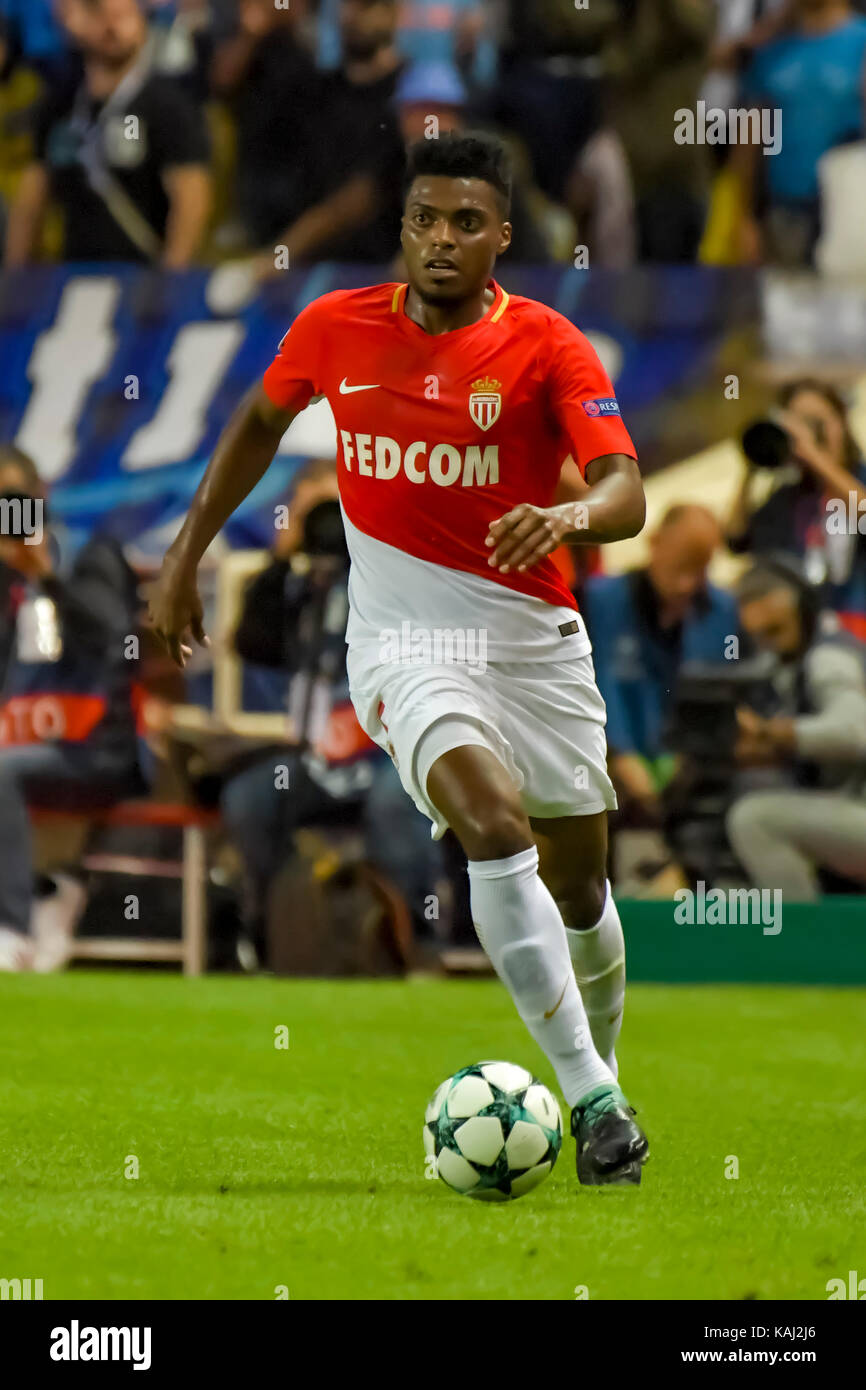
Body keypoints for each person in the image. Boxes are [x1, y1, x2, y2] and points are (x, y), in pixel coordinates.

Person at [149, 129, 650, 1188]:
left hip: (532, 642)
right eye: (424, 219)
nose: (439, 239)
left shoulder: (549, 347)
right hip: (403, 643)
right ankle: (595, 1104)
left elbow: (624, 493)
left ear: (499, 238)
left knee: (581, 888)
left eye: (465, 222)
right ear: (404, 228)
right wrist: (184, 556)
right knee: (492, 825)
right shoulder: (334, 329)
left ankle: (599, 1066)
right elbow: (252, 424)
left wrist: (565, 514)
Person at [0, 444, 144, 971]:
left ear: (41, 498)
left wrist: (46, 577)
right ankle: (44, 896)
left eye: (14, 500)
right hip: (25, 743)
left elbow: (110, 633)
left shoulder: (88, 552)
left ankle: (11, 930)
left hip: (95, 749)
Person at [4, 0, 211, 268]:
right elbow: (30, 202)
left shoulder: (168, 106)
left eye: (125, 16)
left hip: (141, 274)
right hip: (74, 273)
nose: (115, 27)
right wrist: (15, 277)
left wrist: (169, 279)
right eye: (103, 15)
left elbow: (190, 199)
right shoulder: (60, 106)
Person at [584, 505, 740, 825]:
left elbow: (729, 692)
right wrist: (622, 756)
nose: (686, 585)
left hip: (695, 768)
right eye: (681, 566)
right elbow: (600, 681)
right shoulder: (602, 600)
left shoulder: (722, 611)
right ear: (655, 542)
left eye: (699, 570)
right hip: (608, 761)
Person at [727, 560, 866, 897]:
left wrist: (772, 733)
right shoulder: (788, 661)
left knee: (753, 819)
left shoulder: (828, 658)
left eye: (775, 631)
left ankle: (803, 939)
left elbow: (856, 732)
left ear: (803, 612)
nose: (769, 643)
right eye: (759, 635)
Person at [726, 378, 866, 640]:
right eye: (796, 424)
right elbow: (736, 540)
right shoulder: (788, 496)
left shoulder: (859, 480)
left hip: (856, 623)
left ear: (842, 424)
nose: (805, 435)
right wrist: (752, 468)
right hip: (805, 632)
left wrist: (815, 456)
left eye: (815, 422)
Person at [736, 0, 866, 266]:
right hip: (783, 213)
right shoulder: (772, 49)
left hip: (848, 214)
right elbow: (749, 141)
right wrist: (744, 218)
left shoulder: (861, 42)